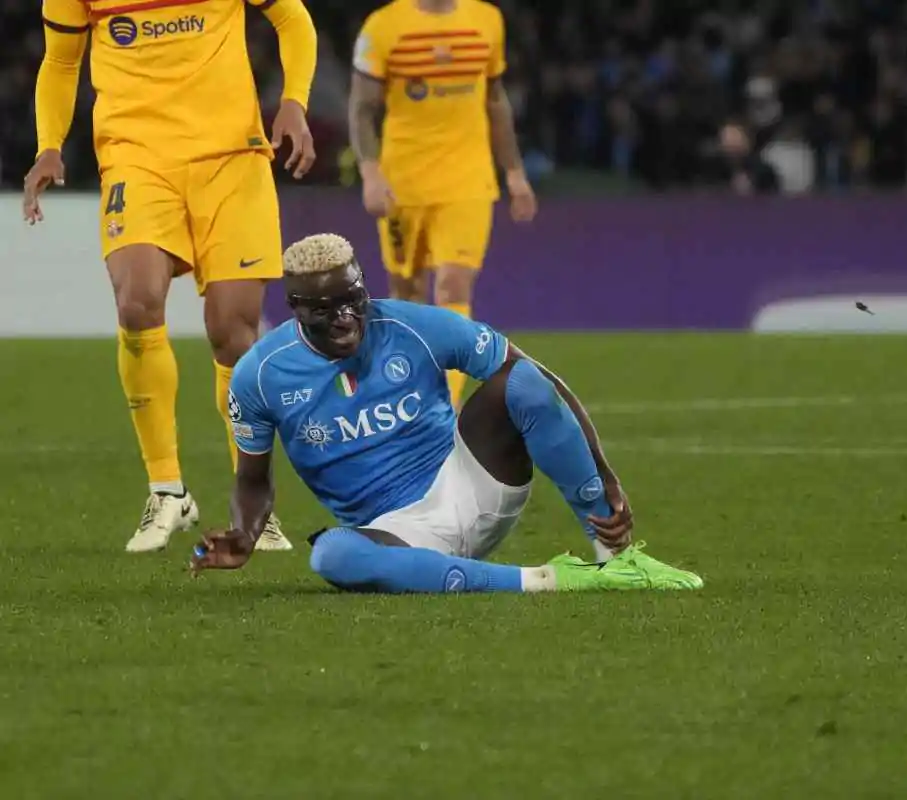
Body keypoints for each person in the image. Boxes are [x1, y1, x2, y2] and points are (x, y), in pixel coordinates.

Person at [188, 234, 702, 594]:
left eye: (354, 300)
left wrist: (604, 475)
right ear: (297, 309)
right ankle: (552, 580)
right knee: (331, 556)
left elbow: (539, 380)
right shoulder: (259, 375)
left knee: (521, 379)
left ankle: (618, 559)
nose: (346, 319)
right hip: (397, 535)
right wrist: (244, 534)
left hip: (472, 485)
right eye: (326, 310)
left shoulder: (412, 325)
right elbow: (252, 479)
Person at [23, 0, 319, 553]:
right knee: (136, 301)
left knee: (232, 331)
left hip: (232, 158)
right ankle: (166, 490)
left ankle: (252, 501)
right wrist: (48, 146)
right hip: (137, 157)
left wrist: (293, 102)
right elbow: (60, 61)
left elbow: (292, 17)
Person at [347, 0, 537, 410]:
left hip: (468, 180)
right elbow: (362, 108)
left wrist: (515, 174)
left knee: (454, 284)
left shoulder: (487, 20)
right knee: (408, 292)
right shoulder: (383, 26)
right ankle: (406, 389)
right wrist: (371, 173)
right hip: (404, 183)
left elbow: (495, 100)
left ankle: (443, 406)